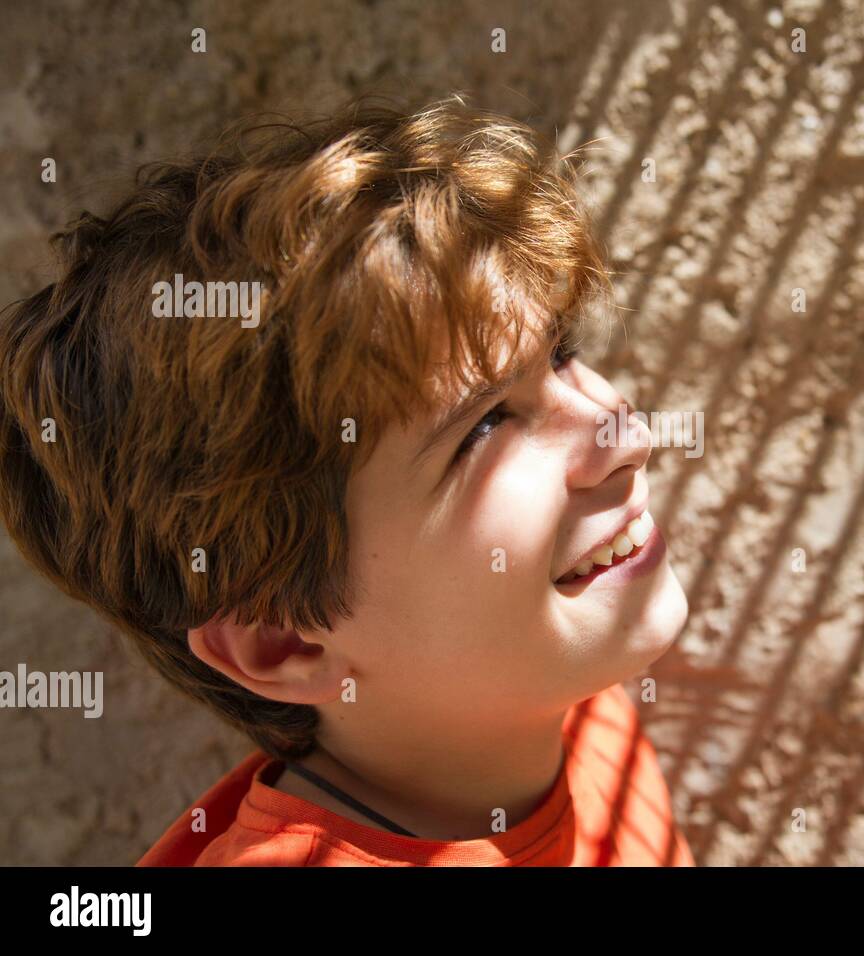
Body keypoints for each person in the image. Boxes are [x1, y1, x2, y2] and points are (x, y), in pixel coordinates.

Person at [0, 94, 694, 866]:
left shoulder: (574, 713)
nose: (623, 433)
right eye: (487, 424)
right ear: (285, 642)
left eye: (562, 351)